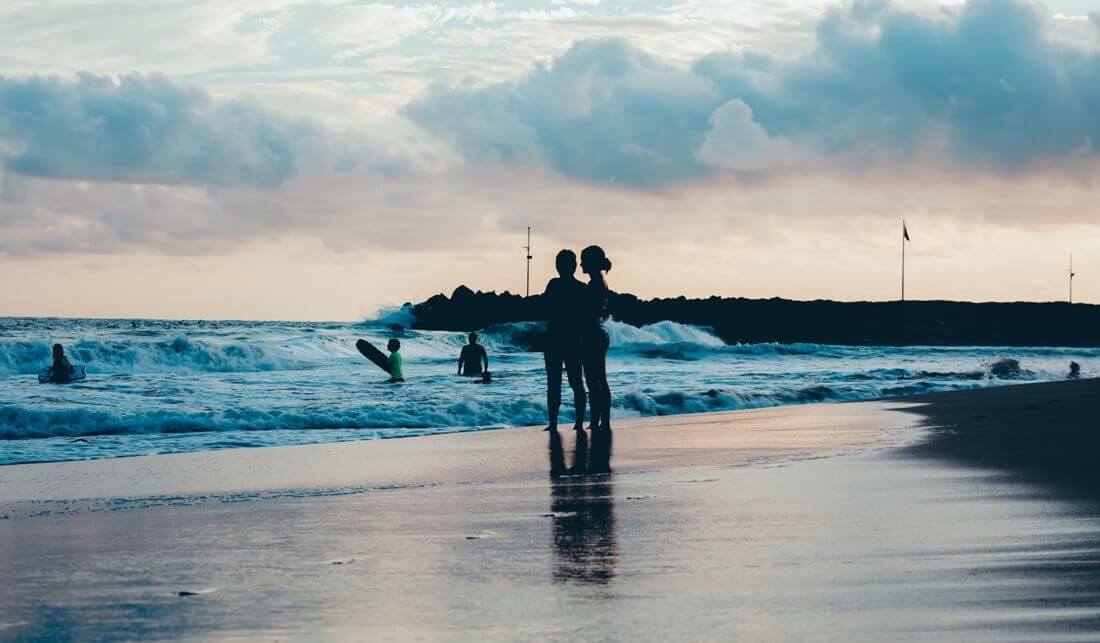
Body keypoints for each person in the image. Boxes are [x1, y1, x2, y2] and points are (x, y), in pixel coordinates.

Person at [543, 249, 587, 432]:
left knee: (555, 383)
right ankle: (577, 422)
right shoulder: (581, 288)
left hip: (555, 338)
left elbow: (545, 307)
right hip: (573, 340)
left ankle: (554, 424)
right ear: (574, 265)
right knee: (575, 381)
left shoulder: (554, 285)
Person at [579, 245, 613, 432]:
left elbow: (586, 313)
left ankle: (598, 421)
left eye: (583, 260)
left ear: (591, 262)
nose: (581, 264)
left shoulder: (594, 284)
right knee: (599, 379)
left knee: (594, 381)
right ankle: (602, 421)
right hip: (599, 333)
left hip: (592, 334)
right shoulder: (600, 281)